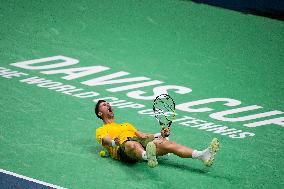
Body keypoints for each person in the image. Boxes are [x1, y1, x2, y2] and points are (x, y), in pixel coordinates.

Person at [95, 100, 220, 168]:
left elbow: (143, 136)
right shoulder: (101, 130)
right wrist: (113, 142)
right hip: (122, 149)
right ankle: (147, 156)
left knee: (168, 143)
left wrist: (160, 135)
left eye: (108, 103)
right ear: (100, 113)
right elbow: (105, 140)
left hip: (138, 143)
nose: (108, 105)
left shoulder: (126, 125)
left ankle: (202, 155)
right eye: (104, 105)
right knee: (131, 144)